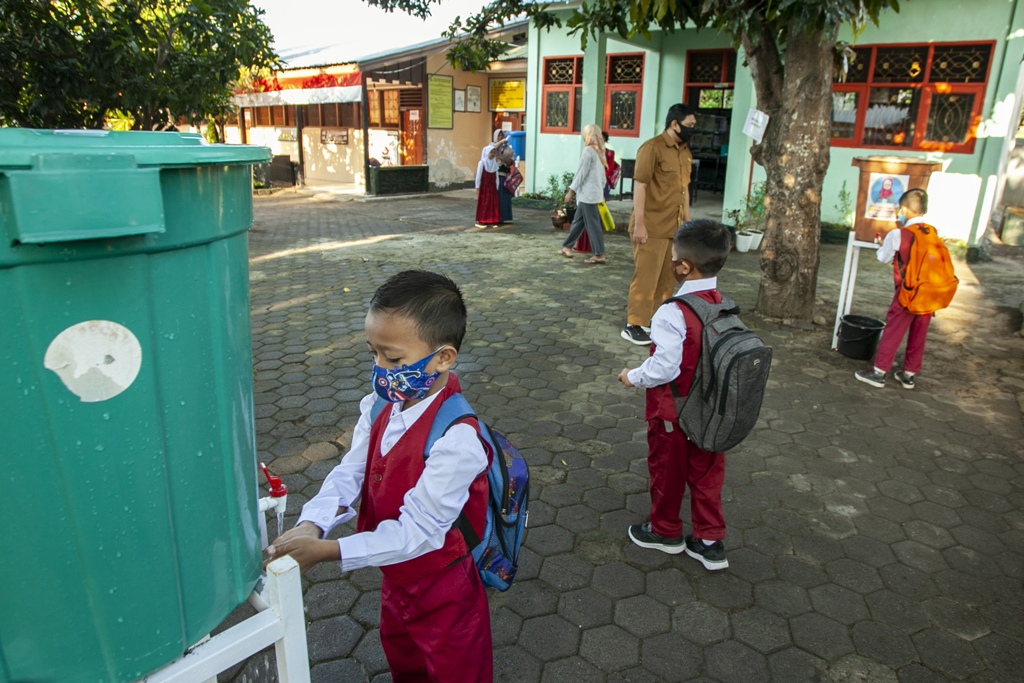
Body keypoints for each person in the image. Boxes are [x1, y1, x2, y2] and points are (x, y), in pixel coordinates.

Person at [263, 270, 493, 682]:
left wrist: (330, 550)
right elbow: (351, 470)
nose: (380, 368)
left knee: (456, 669)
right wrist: (313, 523)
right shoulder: (379, 405)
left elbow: (418, 532)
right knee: (403, 657)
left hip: (444, 587)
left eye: (394, 359)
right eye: (374, 354)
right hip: (396, 576)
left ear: (444, 357)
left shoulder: (458, 440)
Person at [617, 219, 734, 571]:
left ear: (682, 267)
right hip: (710, 410)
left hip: (673, 413)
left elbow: (665, 367)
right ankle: (709, 541)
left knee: (667, 472)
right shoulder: (723, 304)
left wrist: (632, 376)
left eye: (672, 257)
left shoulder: (672, 312)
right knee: (707, 473)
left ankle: (665, 530)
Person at [622, 103, 698, 345]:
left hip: (673, 228)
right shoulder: (652, 148)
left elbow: (684, 189)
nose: (692, 129)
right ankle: (634, 324)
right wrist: (640, 225)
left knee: (667, 279)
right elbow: (640, 186)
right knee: (646, 276)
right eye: (689, 125)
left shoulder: (684, 152)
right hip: (651, 226)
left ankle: (656, 321)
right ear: (674, 124)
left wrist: (688, 222)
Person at [855, 188, 935, 390]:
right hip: (929, 293)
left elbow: (883, 257)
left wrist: (883, 245)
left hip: (908, 292)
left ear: (904, 209)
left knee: (894, 330)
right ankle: (909, 375)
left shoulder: (899, 234)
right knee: (919, 333)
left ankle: (878, 372)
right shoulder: (932, 232)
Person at [557, 124, 609, 264]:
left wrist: (571, 191)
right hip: (592, 194)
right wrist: (601, 192)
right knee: (578, 222)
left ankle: (599, 254)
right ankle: (567, 247)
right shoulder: (599, 151)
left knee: (592, 225)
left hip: (587, 195)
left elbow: (581, 173)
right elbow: (603, 176)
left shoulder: (588, 151)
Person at [475, 131, 502, 228]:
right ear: (487, 153)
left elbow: (496, 176)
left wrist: (497, 186)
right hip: (484, 188)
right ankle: (482, 221)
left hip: (492, 188)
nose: (493, 154)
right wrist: (477, 187)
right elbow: (478, 175)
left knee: (493, 204)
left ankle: (493, 220)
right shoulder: (482, 163)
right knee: (484, 203)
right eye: (491, 152)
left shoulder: (494, 164)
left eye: (494, 152)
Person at [495, 131, 515, 224]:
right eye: (498, 135)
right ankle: (495, 217)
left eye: (502, 135)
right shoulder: (492, 146)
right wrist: (501, 142)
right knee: (496, 198)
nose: (500, 137)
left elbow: (511, 162)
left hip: (504, 177)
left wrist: (506, 160)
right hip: (495, 177)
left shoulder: (507, 148)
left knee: (503, 198)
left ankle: (503, 217)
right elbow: (493, 149)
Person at [602, 131, 620, 201]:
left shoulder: (609, 153)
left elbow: (610, 168)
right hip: (593, 181)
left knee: (602, 203)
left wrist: (602, 178)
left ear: (605, 140)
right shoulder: (592, 152)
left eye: (602, 138)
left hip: (605, 180)